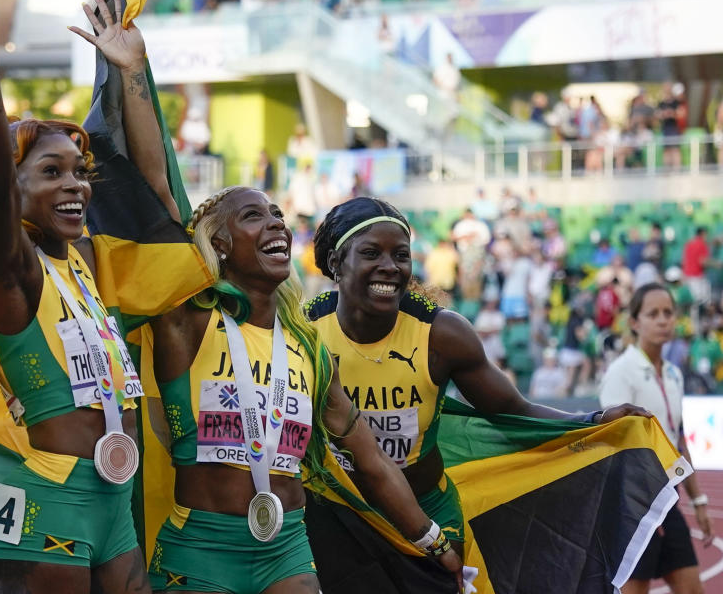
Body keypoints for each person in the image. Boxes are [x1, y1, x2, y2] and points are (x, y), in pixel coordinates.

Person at [0, 0, 181, 592]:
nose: (76, 185)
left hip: (113, 498)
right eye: (51, 172)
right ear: (16, 192)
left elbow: (154, 190)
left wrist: (133, 72)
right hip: (43, 496)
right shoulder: (10, 267)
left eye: (79, 173)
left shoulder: (83, 262)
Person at [304, 198, 648, 581]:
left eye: (401, 255)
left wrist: (594, 420)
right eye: (371, 253)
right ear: (336, 262)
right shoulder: (304, 333)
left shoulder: (442, 335)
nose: (389, 266)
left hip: (428, 511)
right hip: (340, 511)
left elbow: (512, 409)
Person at [146, 187, 463, 593]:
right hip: (201, 548)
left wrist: (434, 543)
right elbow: (153, 201)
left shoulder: (310, 349)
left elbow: (372, 463)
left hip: (287, 550)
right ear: (219, 243)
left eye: (277, 214)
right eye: (253, 216)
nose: (276, 221)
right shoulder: (187, 322)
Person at [599, 283, 714, 594]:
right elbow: (614, 446)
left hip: (667, 502)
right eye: (653, 314)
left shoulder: (674, 374)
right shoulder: (621, 372)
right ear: (635, 323)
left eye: (668, 313)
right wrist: (641, 507)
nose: (663, 320)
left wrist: (700, 502)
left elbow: (680, 443)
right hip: (633, 509)